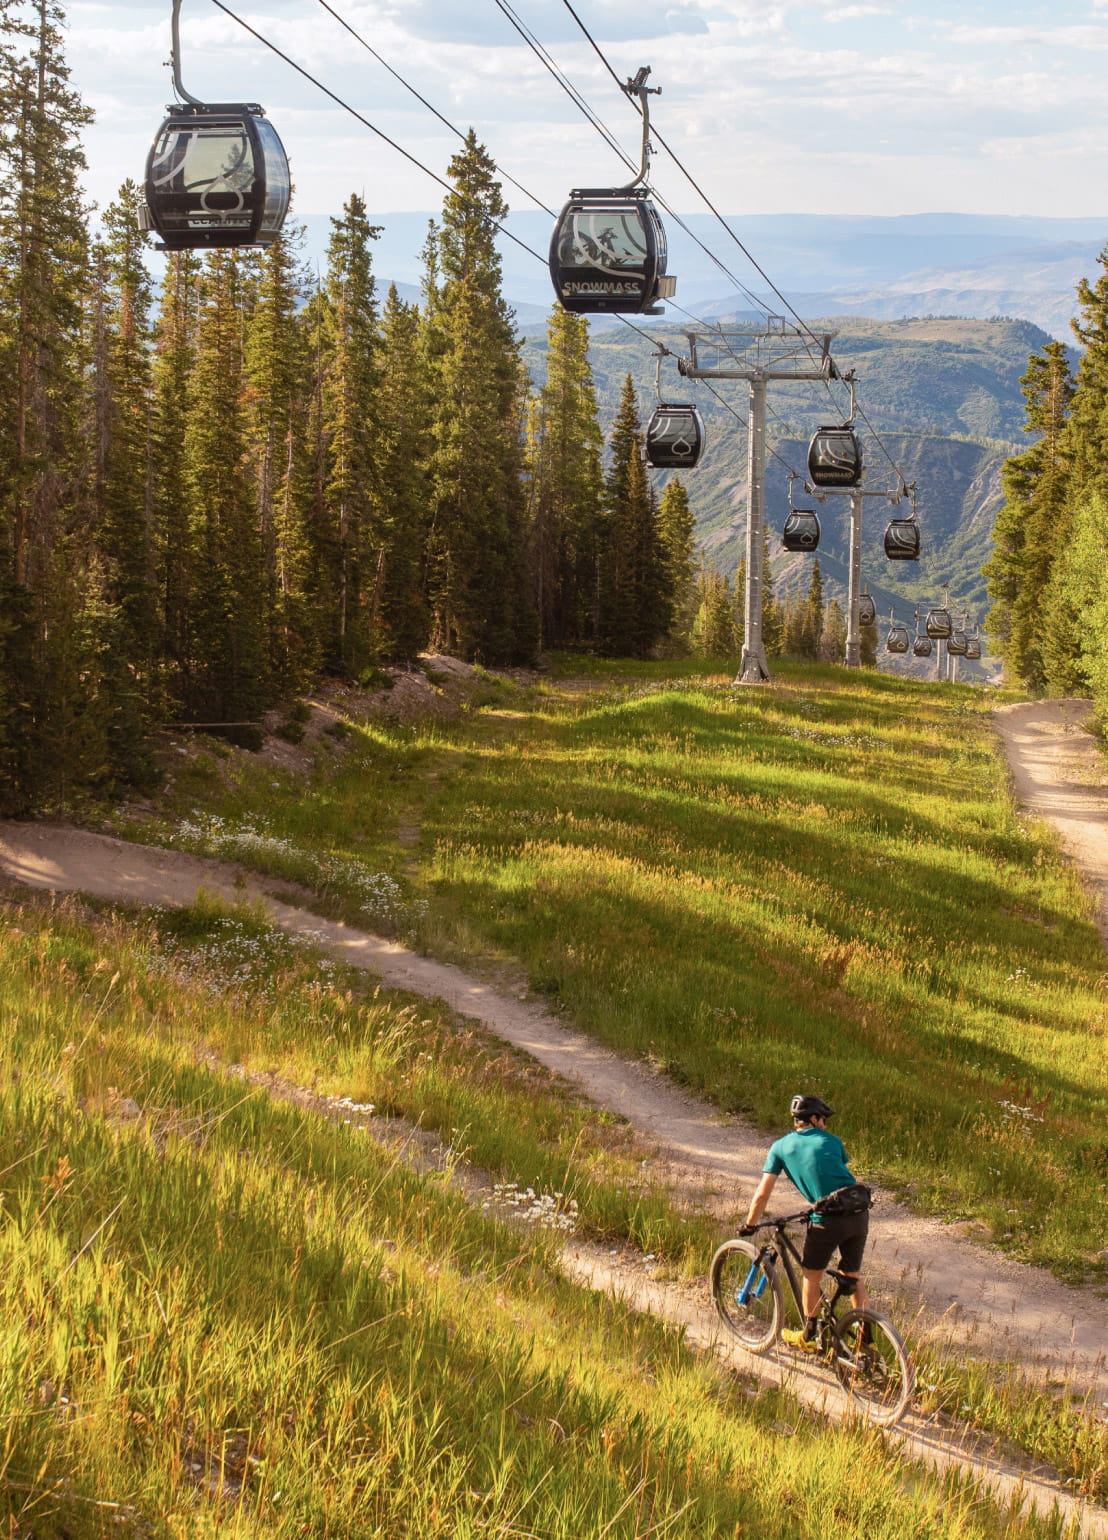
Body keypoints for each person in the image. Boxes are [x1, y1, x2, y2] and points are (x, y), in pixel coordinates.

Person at [739, 1094, 871, 1351]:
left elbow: (763, 1193)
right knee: (852, 1277)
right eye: (824, 1119)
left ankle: (809, 1336)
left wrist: (750, 1224)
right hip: (858, 1213)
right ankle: (867, 1341)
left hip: (828, 1219)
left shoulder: (780, 1147)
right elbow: (833, 1172)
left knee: (811, 1275)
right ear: (814, 1118)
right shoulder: (833, 1142)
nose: (826, 1125)